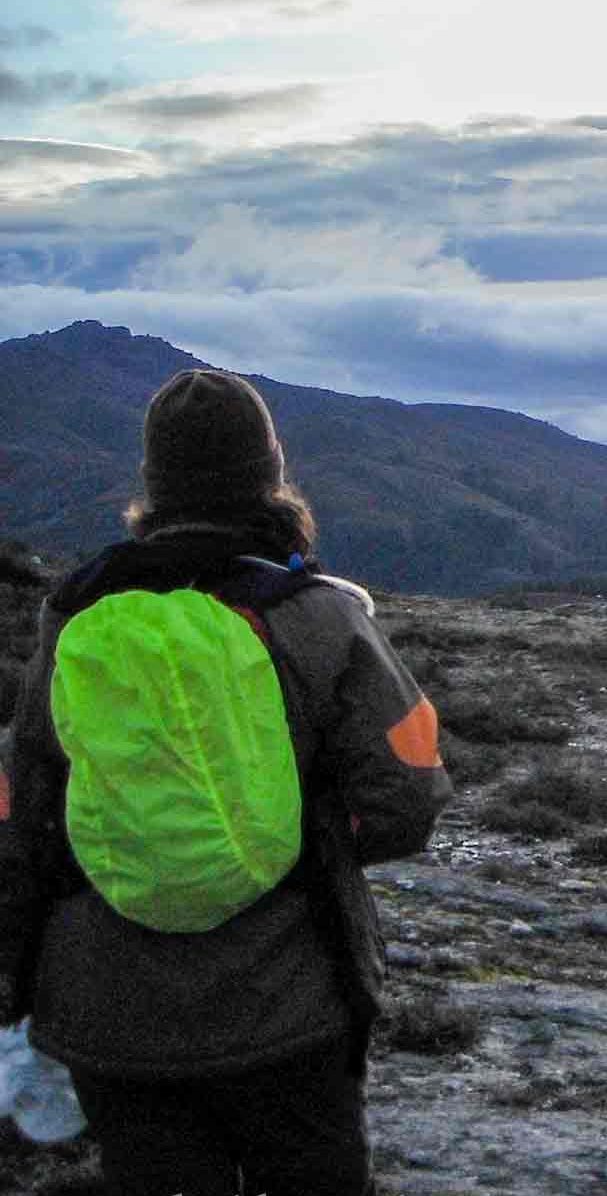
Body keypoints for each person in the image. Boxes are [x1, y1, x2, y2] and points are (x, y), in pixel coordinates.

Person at [0, 369, 453, 1196]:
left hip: (112, 1011)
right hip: (290, 1005)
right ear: (269, 475)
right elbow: (407, 795)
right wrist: (304, 842)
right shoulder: (318, 613)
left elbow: (21, 810)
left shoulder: (73, 613)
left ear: (151, 483)